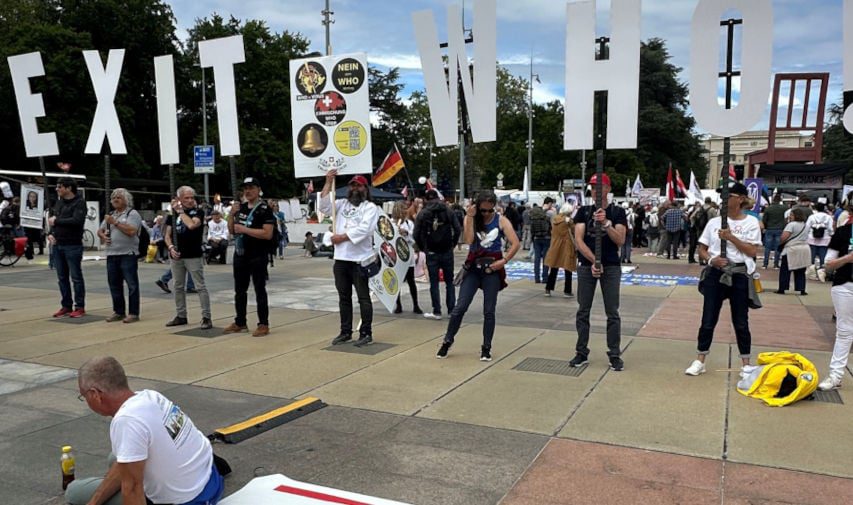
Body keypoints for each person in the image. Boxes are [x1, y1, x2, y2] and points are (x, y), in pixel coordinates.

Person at [66, 357, 223, 505]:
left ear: (95, 394)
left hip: (192, 500)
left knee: (74, 492)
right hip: (210, 480)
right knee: (117, 456)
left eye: (84, 396)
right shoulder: (151, 396)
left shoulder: (127, 420)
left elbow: (133, 490)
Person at [685, 183, 762, 376]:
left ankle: (745, 363)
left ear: (741, 199)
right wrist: (711, 259)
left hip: (739, 274)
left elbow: (752, 251)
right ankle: (700, 359)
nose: (724, 199)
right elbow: (701, 248)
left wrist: (731, 238)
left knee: (741, 320)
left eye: (730, 195)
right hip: (716, 273)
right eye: (723, 195)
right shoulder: (714, 222)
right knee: (708, 317)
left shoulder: (751, 223)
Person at [436, 192, 520, 361]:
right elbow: (468, 240)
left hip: (492, 268)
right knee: (460, 307)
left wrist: (503, 261)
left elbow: (515, 242)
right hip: (474, 267)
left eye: (490, 210)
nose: (487, 214)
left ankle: (486, 347)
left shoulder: (501, 220)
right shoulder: (472, 218)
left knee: (489, 310)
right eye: (483, 211)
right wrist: (469, 217)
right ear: (477, 207)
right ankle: (447, 340)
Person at [569, 173, 627, 371]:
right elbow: (579, 239)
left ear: (608, 189)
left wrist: (606, 224)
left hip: (611, 266)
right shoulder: (584, 212)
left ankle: (614, 353)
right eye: (593, 188)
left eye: (600, 187)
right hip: (587, 266)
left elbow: (620, 240)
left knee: (612, 312)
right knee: (583, 310)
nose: (596, 191)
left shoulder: (617, 212)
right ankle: (581, 351)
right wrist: (595, 261)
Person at [319, 170, 379, 347]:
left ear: (365, 189)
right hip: (341, 259)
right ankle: (345, 331)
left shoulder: (370, 208)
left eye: (358, 185)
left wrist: (342, 237)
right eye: (352, 185)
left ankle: (366, 332)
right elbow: (323, 207)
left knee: (363, 298)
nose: (355, 188)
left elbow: (365, 229)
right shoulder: (341, 204)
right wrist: (328, 182)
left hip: (360, 259)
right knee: (344, 297)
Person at [225, 177, 275, 337]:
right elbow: (232, 230)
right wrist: (231, 215)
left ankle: (263, 323)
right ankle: (240, 321)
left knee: (259, 289)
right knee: (239, 290)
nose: (248, 191)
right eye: (245, 188)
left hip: (258, 254)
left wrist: (245, 230)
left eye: (251, 188)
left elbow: (267, 234)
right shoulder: (241, 208)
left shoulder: (265, 209)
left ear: (258, 189)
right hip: (241, 253)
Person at [164, 186, 212, 329]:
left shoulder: (197, 211)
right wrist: (171, 247)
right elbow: (167, 235)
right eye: (187, 198)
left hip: (193, 254)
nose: (190, 200)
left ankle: (206, 317)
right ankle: (181, 315)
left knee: (200, 286)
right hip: (177, 255)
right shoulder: (172, 214)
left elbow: (192, 225)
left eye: (192, 197)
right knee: (178, 286)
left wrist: (180, 212)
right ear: (179, 199)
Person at [817, 214, 853, 390]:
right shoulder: (843, 232)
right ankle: (835, 375)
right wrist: (847, 258)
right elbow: (828, 264)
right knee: (844, 331)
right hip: (845, 285)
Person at [97, 189, 142, 324]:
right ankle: (119, 311)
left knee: (132, 285)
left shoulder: (132, 214)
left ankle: (134, 313)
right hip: (112, 254)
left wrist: (115, 223)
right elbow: (100, 230)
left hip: (127, 254)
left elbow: (132, 231)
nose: (115, 199)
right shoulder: (110, 215)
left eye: (119, 197)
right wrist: (103, 236)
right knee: (114, 284)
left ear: (126, 200)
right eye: (113, 198)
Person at [414, 189, 460, 320]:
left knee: (434, 283)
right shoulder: (448, 210)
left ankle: (437, 311)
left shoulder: (423, 213)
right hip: (446, 250)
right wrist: (453, 244)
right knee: (449, 282)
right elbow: (457, 229)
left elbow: (416, 233)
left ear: (426, 199)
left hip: (432, 251)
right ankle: (451, 310)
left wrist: (424, 248)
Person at [48, 177, 87, 318]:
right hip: (58, 243)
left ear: (69, 188)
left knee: (76, 276)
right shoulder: (59, 203)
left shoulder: (79, 203)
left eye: (60, 186)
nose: (57, 189)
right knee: (62, 277)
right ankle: (66, 305)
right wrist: (51, 234)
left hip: (73, 244)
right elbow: (53, 222)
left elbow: (77, 221)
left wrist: (57, 221)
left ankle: (80, 306)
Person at [393, 200, 422, 314]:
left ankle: (416, 304)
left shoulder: (409, 224)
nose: (404, 211)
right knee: (397, 282)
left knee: (411, 281)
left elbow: (414, 239)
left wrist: (406, 234)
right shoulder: (391, 223)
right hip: (396, 256)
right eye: (402, 209)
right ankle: (398, 305)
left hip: (407, 255)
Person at [543, 202, 577, 297]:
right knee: (568, 269)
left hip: (555, 246)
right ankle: (567, 291)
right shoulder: (569, 221)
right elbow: (574, 231)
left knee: (553, 268)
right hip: (567, 246)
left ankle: (548, 289)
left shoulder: (555, 219)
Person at [776, 207, 810, 296]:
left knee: (785, 270)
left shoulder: (791, 225)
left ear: (795, 216)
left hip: (791, 249)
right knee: (801, 270)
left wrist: (781, 242)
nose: (790, 216)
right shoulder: (806, 225)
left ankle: (782, 288)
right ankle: (801, 288)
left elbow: (784, 237)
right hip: (804, 248)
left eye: (791, 215)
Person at [805, 202, 835, 268]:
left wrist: (806, 236)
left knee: (811, 256)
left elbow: (807, 227)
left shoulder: (811, 217)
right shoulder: (828, 217)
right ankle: (822, 270)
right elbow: (830, 228)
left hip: (812, 239)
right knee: (823, 257)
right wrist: (831, 234)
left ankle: (811, 271)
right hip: (825, 239)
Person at [528, 203, 551, 283]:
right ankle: (545, 278)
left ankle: (537, 278)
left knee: (537, 259)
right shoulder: (546, 218)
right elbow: (550, 228)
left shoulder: (533, 220)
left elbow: (532, 231)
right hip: (546, 238)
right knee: (546, 259)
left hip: (537, 239)